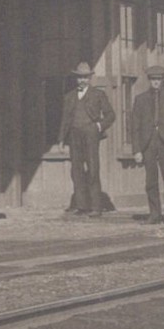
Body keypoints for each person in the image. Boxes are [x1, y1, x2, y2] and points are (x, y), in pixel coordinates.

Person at [128, 65, 164, 224]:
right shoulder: (140, 99)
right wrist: (137, 150)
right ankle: (154, 214)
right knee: (151, 181)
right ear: (149, 81)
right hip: (148, 144)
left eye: (159, 80)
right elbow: (135, 126)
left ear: (162, 80)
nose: (156, 83)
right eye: (153, 80)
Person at [59, 62, 115, 217]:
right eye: (79, 78)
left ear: (90, 78)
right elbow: (65, 119)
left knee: (92, 169)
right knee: (76, 170)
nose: (82, 80)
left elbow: (111, 115)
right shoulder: (69, 96)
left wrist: (98, 126)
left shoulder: (98, 94)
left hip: (91, 135)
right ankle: (81, 205)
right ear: (76, 79)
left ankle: (96, 207)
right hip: (74, 136)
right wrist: (61, 139)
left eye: (85, 77)